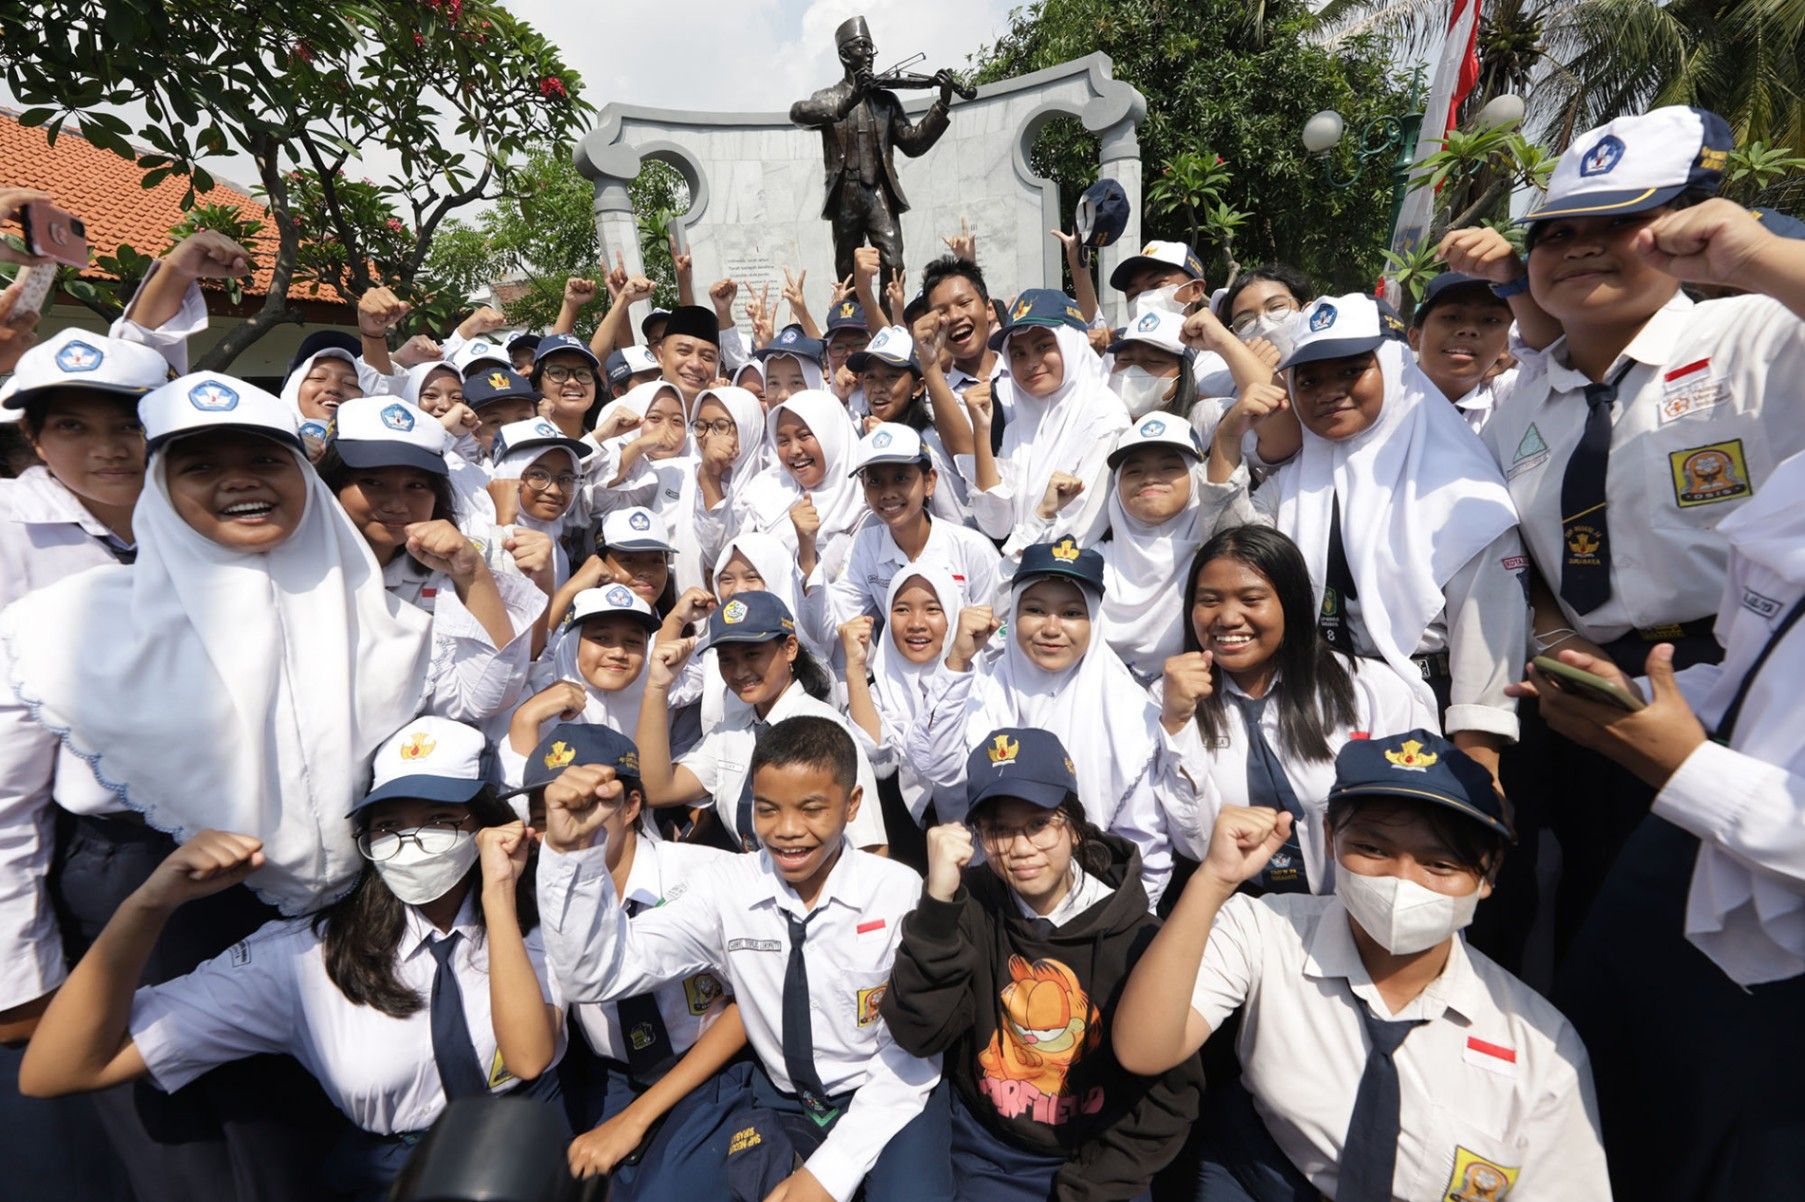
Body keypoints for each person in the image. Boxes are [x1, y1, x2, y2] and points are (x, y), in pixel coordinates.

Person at [1474, 107, 1805, 950]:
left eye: (1620, 224)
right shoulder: (1516, 409)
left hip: (1746, 689)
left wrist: (1755, 258)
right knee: (1595, 923)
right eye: (1556, 233)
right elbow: (1510, 550)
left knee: (1735, 946)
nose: (1581, 248)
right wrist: (1556, 641)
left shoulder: (1759, 335)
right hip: (1585, 689)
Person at [18, 717, 564, 1202]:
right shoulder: (304, 957)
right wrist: (148, 905)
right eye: (388, 825)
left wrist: (498, 896)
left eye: (441, 819)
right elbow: (58, 1070)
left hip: (542, 1151)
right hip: (401, 1177)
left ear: (487, 825)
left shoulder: (543, 912)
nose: (411, 841)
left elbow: (527, 1057)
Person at [1112, 730, 1611, 1201]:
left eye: (1439, 864)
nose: (1402, 881)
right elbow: (1144, 1048)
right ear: (1331, 838)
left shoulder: (1542, 1048)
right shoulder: (1267, 931)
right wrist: (1213, 880)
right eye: (1372, 849)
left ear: (1489, 873)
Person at [1519, 444, 1805, 1201]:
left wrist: (1684, 765)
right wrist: (1633, 701)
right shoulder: (1794, 483)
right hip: (1685, 846)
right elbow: (1743, 676)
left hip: (1776, 931)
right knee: (1592, 1089)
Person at [535, 715, 953, 1202]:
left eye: (812, 809)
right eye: (767, 810)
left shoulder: (896, 891)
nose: (788, 831)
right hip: (781, 1095)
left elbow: (909, 1052)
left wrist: (825, 1176)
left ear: (852, 804)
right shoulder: (726, 886)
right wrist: (572, 855)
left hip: (884, 1091)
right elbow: (597, 975)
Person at [1204, 293, 1527, 782]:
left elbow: (1489, 630)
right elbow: (1237, 559)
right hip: (1317, 703)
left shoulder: (1458, 485)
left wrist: (1480, 760)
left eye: (1352, 371)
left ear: (1393, 370)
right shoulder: (1296, 482)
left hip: (1431, 705)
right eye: (1309, 380)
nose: (1329, 392)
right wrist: (1227, 439)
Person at [882, 727, 1203, 1201]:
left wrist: (1090, 1188)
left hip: (1098, 1163)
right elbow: (917, 1033)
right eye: (999, 830)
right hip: (986, 1153)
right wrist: (937, 905)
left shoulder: (1139, 940)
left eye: (1038, 824)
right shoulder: (969, 908)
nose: (1021, 847)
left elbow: (1168, 1099)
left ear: (1073, 825)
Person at [521, 724, 749, 1195]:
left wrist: (635, 1120)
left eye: (585, 806)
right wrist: (499, 894)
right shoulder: (544, 895)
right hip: (611, 1080)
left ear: (630, 807)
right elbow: (534, 1048)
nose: (567, 825)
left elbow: (748, 1006)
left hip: (708, 1069)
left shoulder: (708, 874)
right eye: (547, 816)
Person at [1160, 525, 1433, 891]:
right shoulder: (1168, 702)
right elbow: (1191, 841)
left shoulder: (1372, 690)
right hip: (1233, 910)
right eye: (1209, 601)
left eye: (1251, 599)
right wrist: (1176, 724)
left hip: (1360, 905)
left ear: (1292, 603)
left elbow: (1422, 819)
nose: (1228, 617)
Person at [910, 539, 1173, 902]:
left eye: (1071, 613)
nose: (1051, 628)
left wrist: (1116, 923)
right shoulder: (978, 688)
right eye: (1034, 609)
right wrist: (956, 661)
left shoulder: (1129, 713)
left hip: (1089, 906)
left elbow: (1146, 849)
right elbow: (932, 763)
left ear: (1094, 619)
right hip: (985, 900)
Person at [316, 397, 542, 720]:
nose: (396, 503)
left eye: (416, 486)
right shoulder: (292, 568)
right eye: (373, 482)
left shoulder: (443, 578)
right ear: (332, 483)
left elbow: (482, 697)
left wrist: (473, 573)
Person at [633, 591, 887, 853]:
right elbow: (656, 790)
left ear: (790, 648)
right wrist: (657, 687)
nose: (739, 671)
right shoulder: (730, 731)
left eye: (752, 654)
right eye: (726, 659)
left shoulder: (826, 730)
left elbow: (871, 848)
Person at [0, 329, 170, 609]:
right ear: (32, 435)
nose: (108, 450)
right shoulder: (6, 526)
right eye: (71, 426)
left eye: (131, 425)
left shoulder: (207, 512)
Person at [788, 14, 955, 292]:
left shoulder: (886, 100)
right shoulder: (828, 97)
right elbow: (798, 113)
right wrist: (849, 101)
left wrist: (942, 106)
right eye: (861, 46)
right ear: (844, 55)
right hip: (846, 193)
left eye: (870, 46)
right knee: (847, 270)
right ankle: (851, 320)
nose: (869, 53)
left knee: (894, 263)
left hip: (880, 191)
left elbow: (913, 143)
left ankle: (891, 318)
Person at [964, 290, 1127, 553]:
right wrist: (982, 433)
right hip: (1020, 569)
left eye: (1043, 347)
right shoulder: (1017, 428)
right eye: (1018, 354)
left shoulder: (1105, 419)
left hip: (1066, 572)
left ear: (1071, 344)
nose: (1031, 363)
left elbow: (1075, 534)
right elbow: (995, 525)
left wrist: (1014, 555)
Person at [839, 565, 967, 871]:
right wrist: (855, 668)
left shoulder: (979, 687)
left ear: (953, 617)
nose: (916, 624)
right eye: (902, 610)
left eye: (932, 609)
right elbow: (876, 759)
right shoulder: (878, 689)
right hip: (903, 855)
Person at [828, 422, 1000, 628]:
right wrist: (807, 554)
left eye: (901, 478)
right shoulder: (865, 546)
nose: (888, 493)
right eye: (875, 482)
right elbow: (834, 620)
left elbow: (1001, 628)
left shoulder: (972, 549)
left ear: (929, 482)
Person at [1091, 417, 1220, 685]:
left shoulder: (1216, 559)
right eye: (1134, 472)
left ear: (1195, 475)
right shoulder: (1093, 563)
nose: (1150, 479)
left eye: (1169, 467)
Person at [504, 585, 663, 786]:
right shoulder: (531, 693)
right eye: (602, 638)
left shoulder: (658, 699)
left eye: (632, 642)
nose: (618, 653)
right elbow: (518, 796)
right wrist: (526, 719)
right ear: (573, 642)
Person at [736, 390, 871, 583]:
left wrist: (807, 549)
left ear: (832, 437)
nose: (794, 451)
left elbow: (844, 595)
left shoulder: (861, 510)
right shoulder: (763, 491)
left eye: (805, 435)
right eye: (783, 441)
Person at [847, 325, 970, 522]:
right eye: (870, 377)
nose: (877, 388)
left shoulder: (931, 444)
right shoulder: (866, 435)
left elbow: (954, 517)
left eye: (891, 377)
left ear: (918, 387)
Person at [1405, 272, 1514, 433]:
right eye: (1452, 317)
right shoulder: (1383, 397)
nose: (1469, 329)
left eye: (1491, 320)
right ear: (1415, 337)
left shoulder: (1509, 403)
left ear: (1507, 346)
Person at [531, 333, 604, 439]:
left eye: (582, 373)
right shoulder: (522, 440)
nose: (572, 381)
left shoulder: (614, 442)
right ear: (539, 385)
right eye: (558, 373)